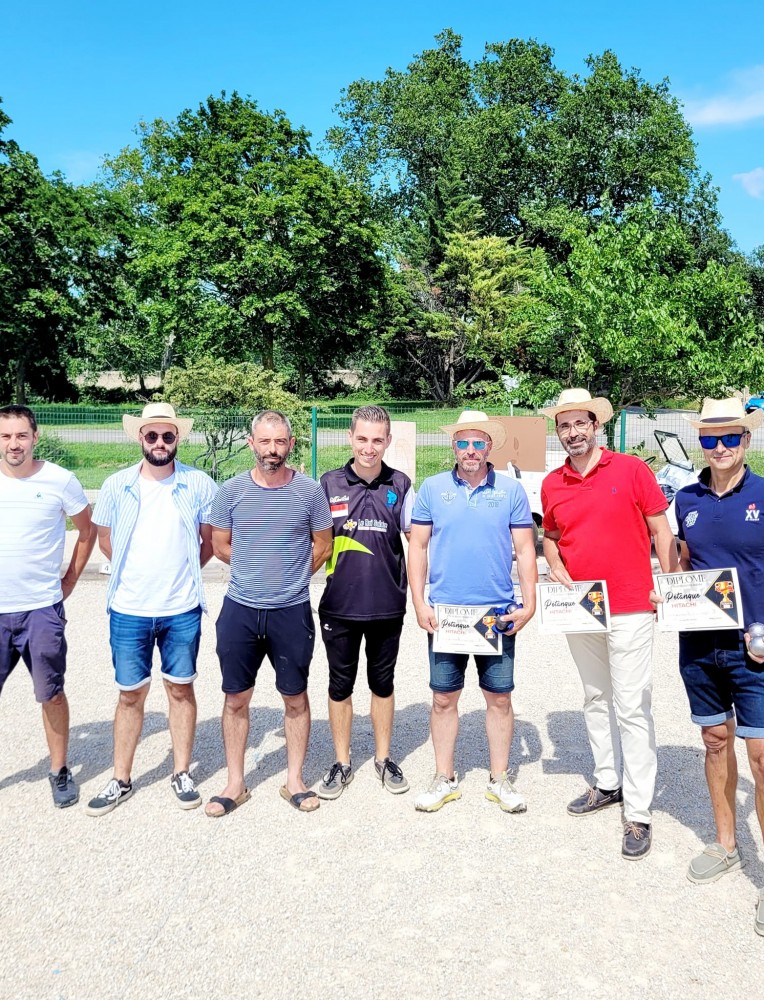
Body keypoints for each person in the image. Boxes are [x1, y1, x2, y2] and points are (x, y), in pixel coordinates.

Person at [541, 388, 677, 860]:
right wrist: (554, 562)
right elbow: (552, 536)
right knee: (596, 696)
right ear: (557, 431)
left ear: (596, 425)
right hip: (584, 607)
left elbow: (661, 529)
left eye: (581, 423)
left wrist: (672, 586)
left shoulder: (631, 469)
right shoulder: (553, 482)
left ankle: (638, 812)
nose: (573, 432)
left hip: (633, 604)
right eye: (564, 425)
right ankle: (607, 782)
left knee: (632, 705)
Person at [86, 403, 216, 816]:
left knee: (180, 689)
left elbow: (208, 540)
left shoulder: (199, 484)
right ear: (140, 438)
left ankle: (181, 771)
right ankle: (120, 778)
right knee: (130, 694)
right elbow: (105, 539)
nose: (160, 443)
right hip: (129, 606)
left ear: (178, 438)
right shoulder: (116, 485)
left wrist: (182, 572)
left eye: (168, 436)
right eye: (152, 436)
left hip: (181, 607)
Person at [408, 410, 537, 813]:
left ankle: (500, 779)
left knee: (499, 698)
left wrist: (529, 602)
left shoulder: (512, 491)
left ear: (489, 446)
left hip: (495, 614)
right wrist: (419, 601)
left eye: (478, 443)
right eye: (463, 442)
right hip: (445, 614)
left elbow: (526, 549)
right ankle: (444, 777)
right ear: (453, 446)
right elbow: (417, 547)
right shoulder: (431, 488)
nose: (470, 450)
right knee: (443, 698)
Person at [206, 410, 333, 816]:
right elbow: (221, 544)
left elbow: (323, 545)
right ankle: (235, 782)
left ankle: (294, 779)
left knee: (294, 697)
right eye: (265, 442)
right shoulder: (231, 492)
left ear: (290, 445)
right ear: (251, 444)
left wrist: (293, 578)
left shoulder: (310, 493)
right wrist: (251, 571)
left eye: (280, 442)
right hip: (240, 609)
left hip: (290, 611)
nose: (272, 450)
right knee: (235, 698)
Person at [671, 397, 764, 935]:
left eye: (730, 438)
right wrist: (671, 597)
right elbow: (685, 564)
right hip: (700, 646)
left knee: (761, 758)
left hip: (756, 648)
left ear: (746, 441)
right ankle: (727, 844)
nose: (721, 448)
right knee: (713, 743)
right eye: (710, 439)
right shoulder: (687, 498)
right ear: (700, 443)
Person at [316, 405, 415, 799]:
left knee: (382, 683)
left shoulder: (403, 485)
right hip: (339, 606)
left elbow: (419, 544)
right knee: (339, 685)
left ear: (388, 441)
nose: (369, 448)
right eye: (362, 439)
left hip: (388, 605)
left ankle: (383, 758)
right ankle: (341, 762)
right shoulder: (327, 483)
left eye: (377, 440)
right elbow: (312, 543)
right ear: (350, 438)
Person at [0, 404, 95, 807]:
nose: (13, 443)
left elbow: (87, 531)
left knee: (51, 694)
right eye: (5, 436)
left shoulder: (60, 480)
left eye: (21, 435)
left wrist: (70, 580)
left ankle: (58, 770)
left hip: (41, 608)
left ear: (35, 437)